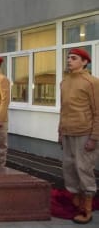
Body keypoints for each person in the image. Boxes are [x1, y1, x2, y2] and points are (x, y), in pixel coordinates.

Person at [58, 48, 99, 224]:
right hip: (67, 131)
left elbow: (98, 112)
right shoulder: (64, 82)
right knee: (69, 167)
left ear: (84, 62)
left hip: (85, 133)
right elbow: (63, 109)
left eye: (74, 58)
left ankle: (86, 209)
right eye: (68, 58)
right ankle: (76, 203)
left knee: (84, 168)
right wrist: (60, 132)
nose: (69, 61)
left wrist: (94, 137)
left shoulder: (92, 82)